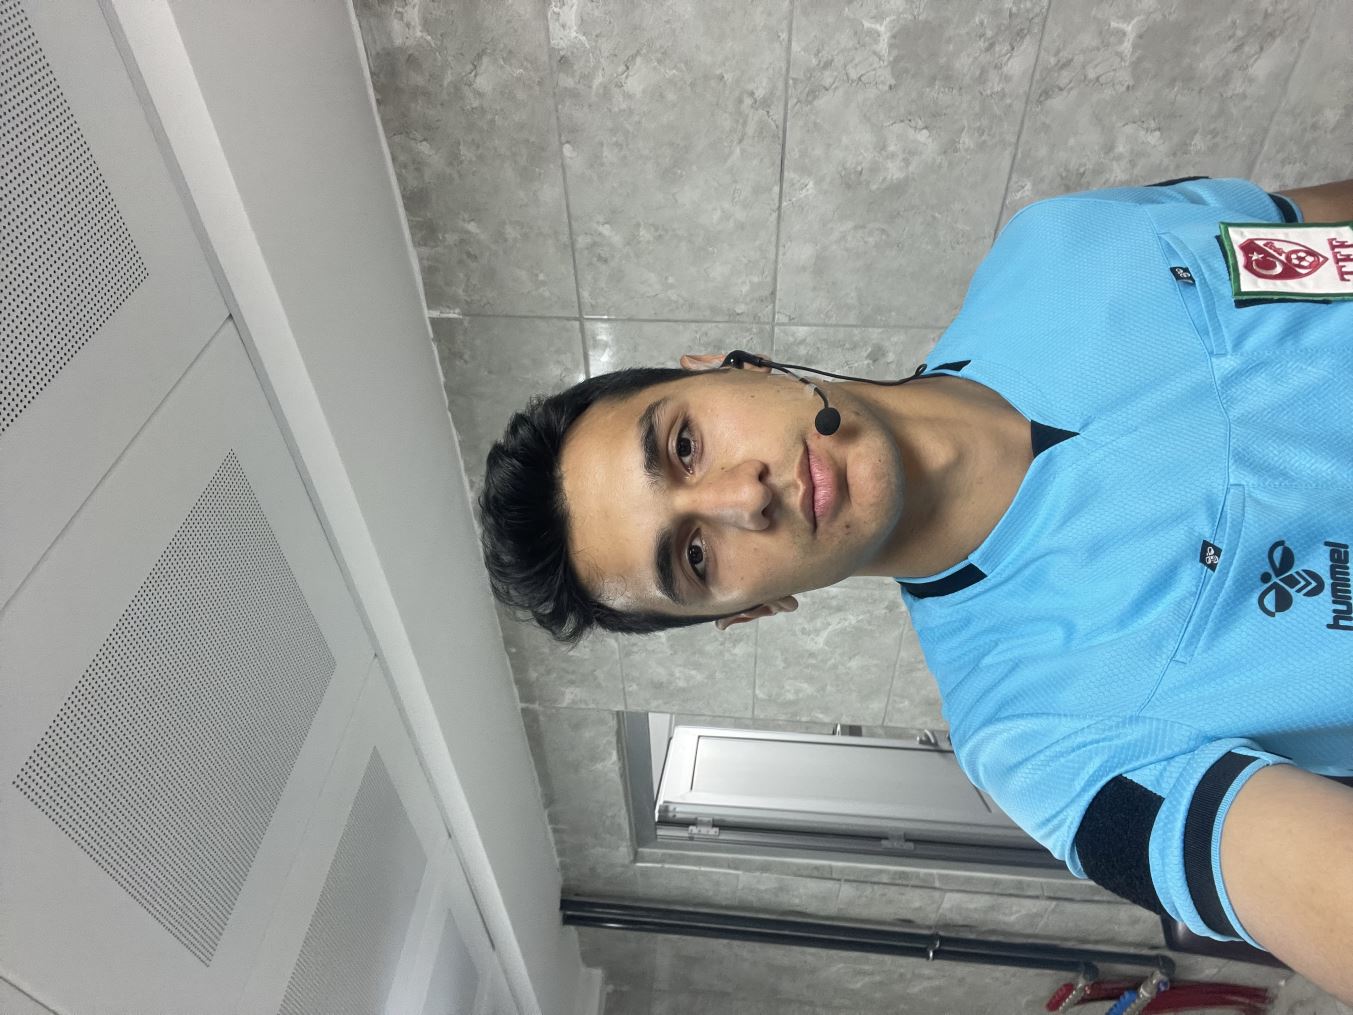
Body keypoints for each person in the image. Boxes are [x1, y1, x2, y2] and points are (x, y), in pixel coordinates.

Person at [477, 176, 1353, 1002]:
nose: (743, 498)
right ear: (750, 610)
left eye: (683, 446)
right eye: (695, 556)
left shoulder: (1061, 247)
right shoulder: (1039, 744)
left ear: (730, 364)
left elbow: (1326, 244)